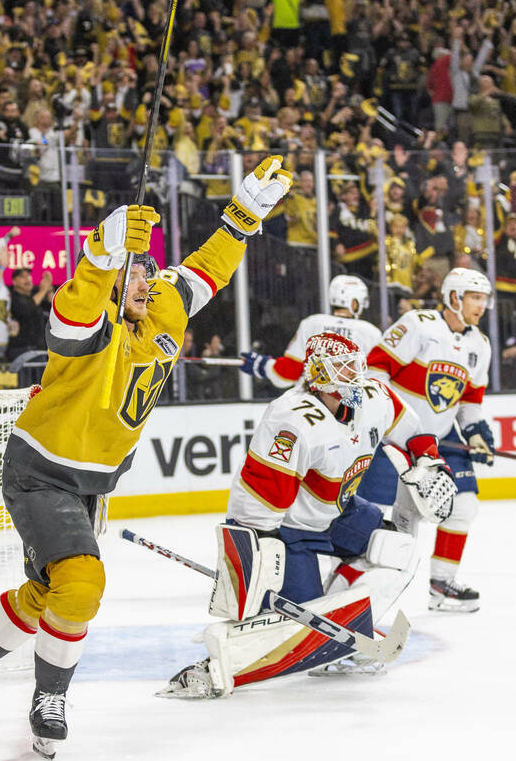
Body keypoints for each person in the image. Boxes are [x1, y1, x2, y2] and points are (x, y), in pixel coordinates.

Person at [0, 156, 293, 758]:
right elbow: (68, 316)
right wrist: (100, 253)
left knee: (49, 592)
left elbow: (206, 271)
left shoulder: (162, 303)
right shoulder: (94, 318)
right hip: (40, 472)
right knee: (83, 584)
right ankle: (48, 701)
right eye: (133, 273)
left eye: (148, 271)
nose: (144, 281)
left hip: (89, 482)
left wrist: (243, 215)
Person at [159, 333, 452, 699]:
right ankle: (221, 664)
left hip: (338, 512)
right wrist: (260, 567)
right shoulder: (291, 420)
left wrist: (428, 460)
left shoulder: (373, 397)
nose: (355, 375)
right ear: (318, 374)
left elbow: (413, 427)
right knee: (303, 628)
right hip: (290, 529)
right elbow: (255, 508)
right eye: (343, 368)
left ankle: (342, 626)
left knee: (395, 549)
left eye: (355, 365)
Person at [355, 268, 494, 612]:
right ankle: (360, 590)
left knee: (463, 507)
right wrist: (388, 420)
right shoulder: (417, 324)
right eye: (475, 297)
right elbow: (376, 369)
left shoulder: (480, 345)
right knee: (394, 522)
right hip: (395, 439)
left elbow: (469, 404)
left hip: (441, 439)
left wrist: (476, 433)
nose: (482, 305)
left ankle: (442, 587)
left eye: (484, 299)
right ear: (453, 298)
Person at [238, 275, 382, 388]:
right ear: (354, 303)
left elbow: (288, 373)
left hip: (312, 409)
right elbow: (379, 380)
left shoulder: (312, 323)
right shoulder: (371, 332)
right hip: (353, 411)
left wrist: (264, 366)